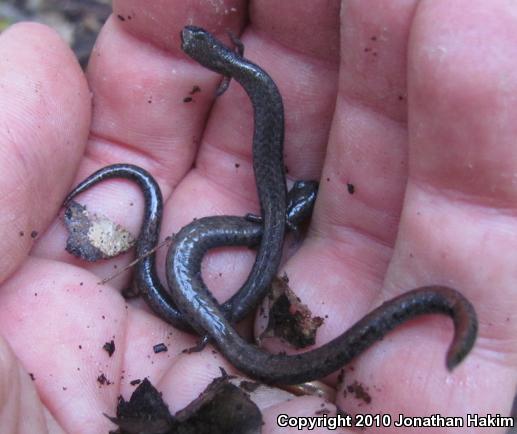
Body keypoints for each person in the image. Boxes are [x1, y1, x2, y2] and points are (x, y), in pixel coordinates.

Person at [0, 0, 512, 432]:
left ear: (222, 61)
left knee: (248, 240)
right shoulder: (247, 74)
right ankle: (275, 226)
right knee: (247, 244)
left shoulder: (247, 77)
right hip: (216, 287)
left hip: (215, 274)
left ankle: (278, 225)